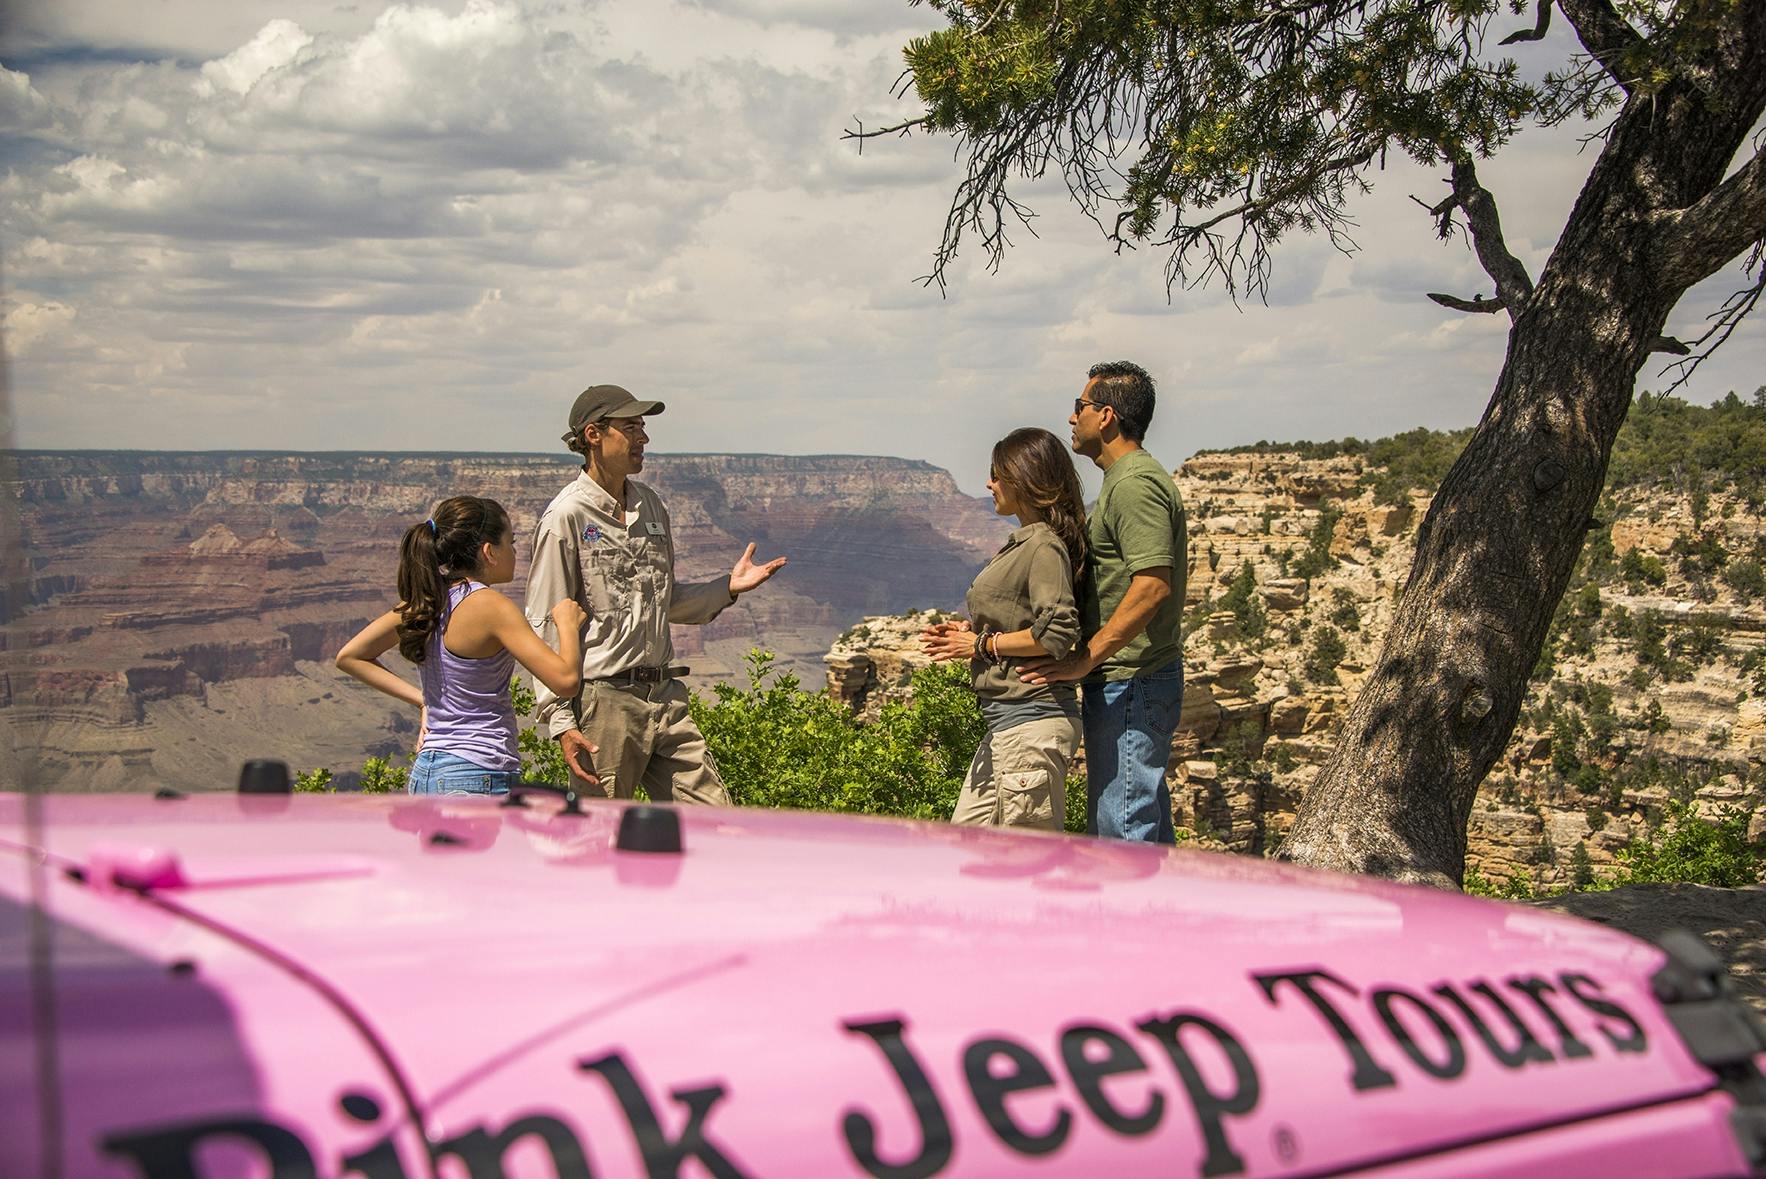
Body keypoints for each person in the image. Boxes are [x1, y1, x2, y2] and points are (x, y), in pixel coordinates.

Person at [526, 384, 787, 802]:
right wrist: (560, 719)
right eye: (630, 427)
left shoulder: (651, 505)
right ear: (594, 435)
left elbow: (662, 600)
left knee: (713, 818)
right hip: (604, 704)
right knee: (602, 834)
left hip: (665, 698)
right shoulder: (566, 517)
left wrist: (727, 588)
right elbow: (546, 620)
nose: (643, 438)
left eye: (643, 427)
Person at [1020, 361, 1188, 843]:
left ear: (1107, 415)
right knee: (1140, 825)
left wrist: (1087, 658)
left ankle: (1123, 920)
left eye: (1081, 407)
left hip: (1131, 681)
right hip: (1127, 681)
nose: (1072, 418)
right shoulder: (1123, 480)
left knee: (1123, 830)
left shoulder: (1135, 484)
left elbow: (1152, 585)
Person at [337, 495, 586, 795]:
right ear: (488, 552)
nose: (515, 551)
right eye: (511, 541)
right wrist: (568, 626)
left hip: (427, 772)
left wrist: (423, 701)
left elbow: (350, 656)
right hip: (477, 773)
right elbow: (566, 681)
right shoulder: (490, 606)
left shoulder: (427, 602)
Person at [923, 427, 1086, 831]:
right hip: (1006, 726)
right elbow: (1026, 619)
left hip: (1030, 725)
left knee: (1024, 867)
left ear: (1022, 477)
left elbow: (1058, 632)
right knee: (966, 847)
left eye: (996, 474)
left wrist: (980, 644)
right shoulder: (1025, 543)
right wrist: (973, 631)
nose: (988, 483)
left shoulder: (1043, 546)